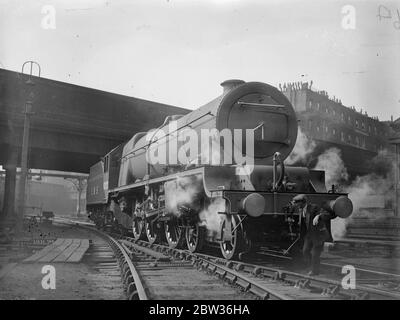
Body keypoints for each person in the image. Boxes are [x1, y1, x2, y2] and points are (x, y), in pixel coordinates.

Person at [292, 194, 335, 276]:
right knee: (305, 251)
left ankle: (315, 271)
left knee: (315, 254)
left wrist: (318, 216)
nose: (296, 206)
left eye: (297, 203)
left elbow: (326, 214)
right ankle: (311, 267)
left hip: (318, 235)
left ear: (302, 203)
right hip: (309, 235)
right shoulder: (301, 210)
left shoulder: (313, 207)